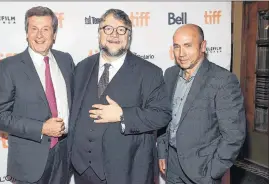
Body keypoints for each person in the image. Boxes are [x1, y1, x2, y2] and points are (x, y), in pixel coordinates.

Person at [67, 8, 171, 184]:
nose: (114, 34)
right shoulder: (81, 67)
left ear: (129, 35)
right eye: (108, 28)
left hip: (127, 172)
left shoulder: (149, 72)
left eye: (121, 29)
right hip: (82, 171)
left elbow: (162, 114)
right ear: (99, 33)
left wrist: (123, 115)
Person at [0, 6, 74, 184]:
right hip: (28, 162)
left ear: (54, 34)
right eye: (33, 29)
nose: (39, 35)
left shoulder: (66, 60)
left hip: (64, 157)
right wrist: (42, 128)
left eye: (45, 29)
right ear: (26, 33)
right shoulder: (9, 67)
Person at [157, 24, 246, 184]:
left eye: (188, 46)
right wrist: (163, 152)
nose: (181, 53)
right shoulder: (170, 74)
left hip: (203, 169)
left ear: (203, 46)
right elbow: (165, 118)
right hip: (173, 164)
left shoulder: (223, 80)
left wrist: (214, 171)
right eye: (177, 46)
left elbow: (234, 135)